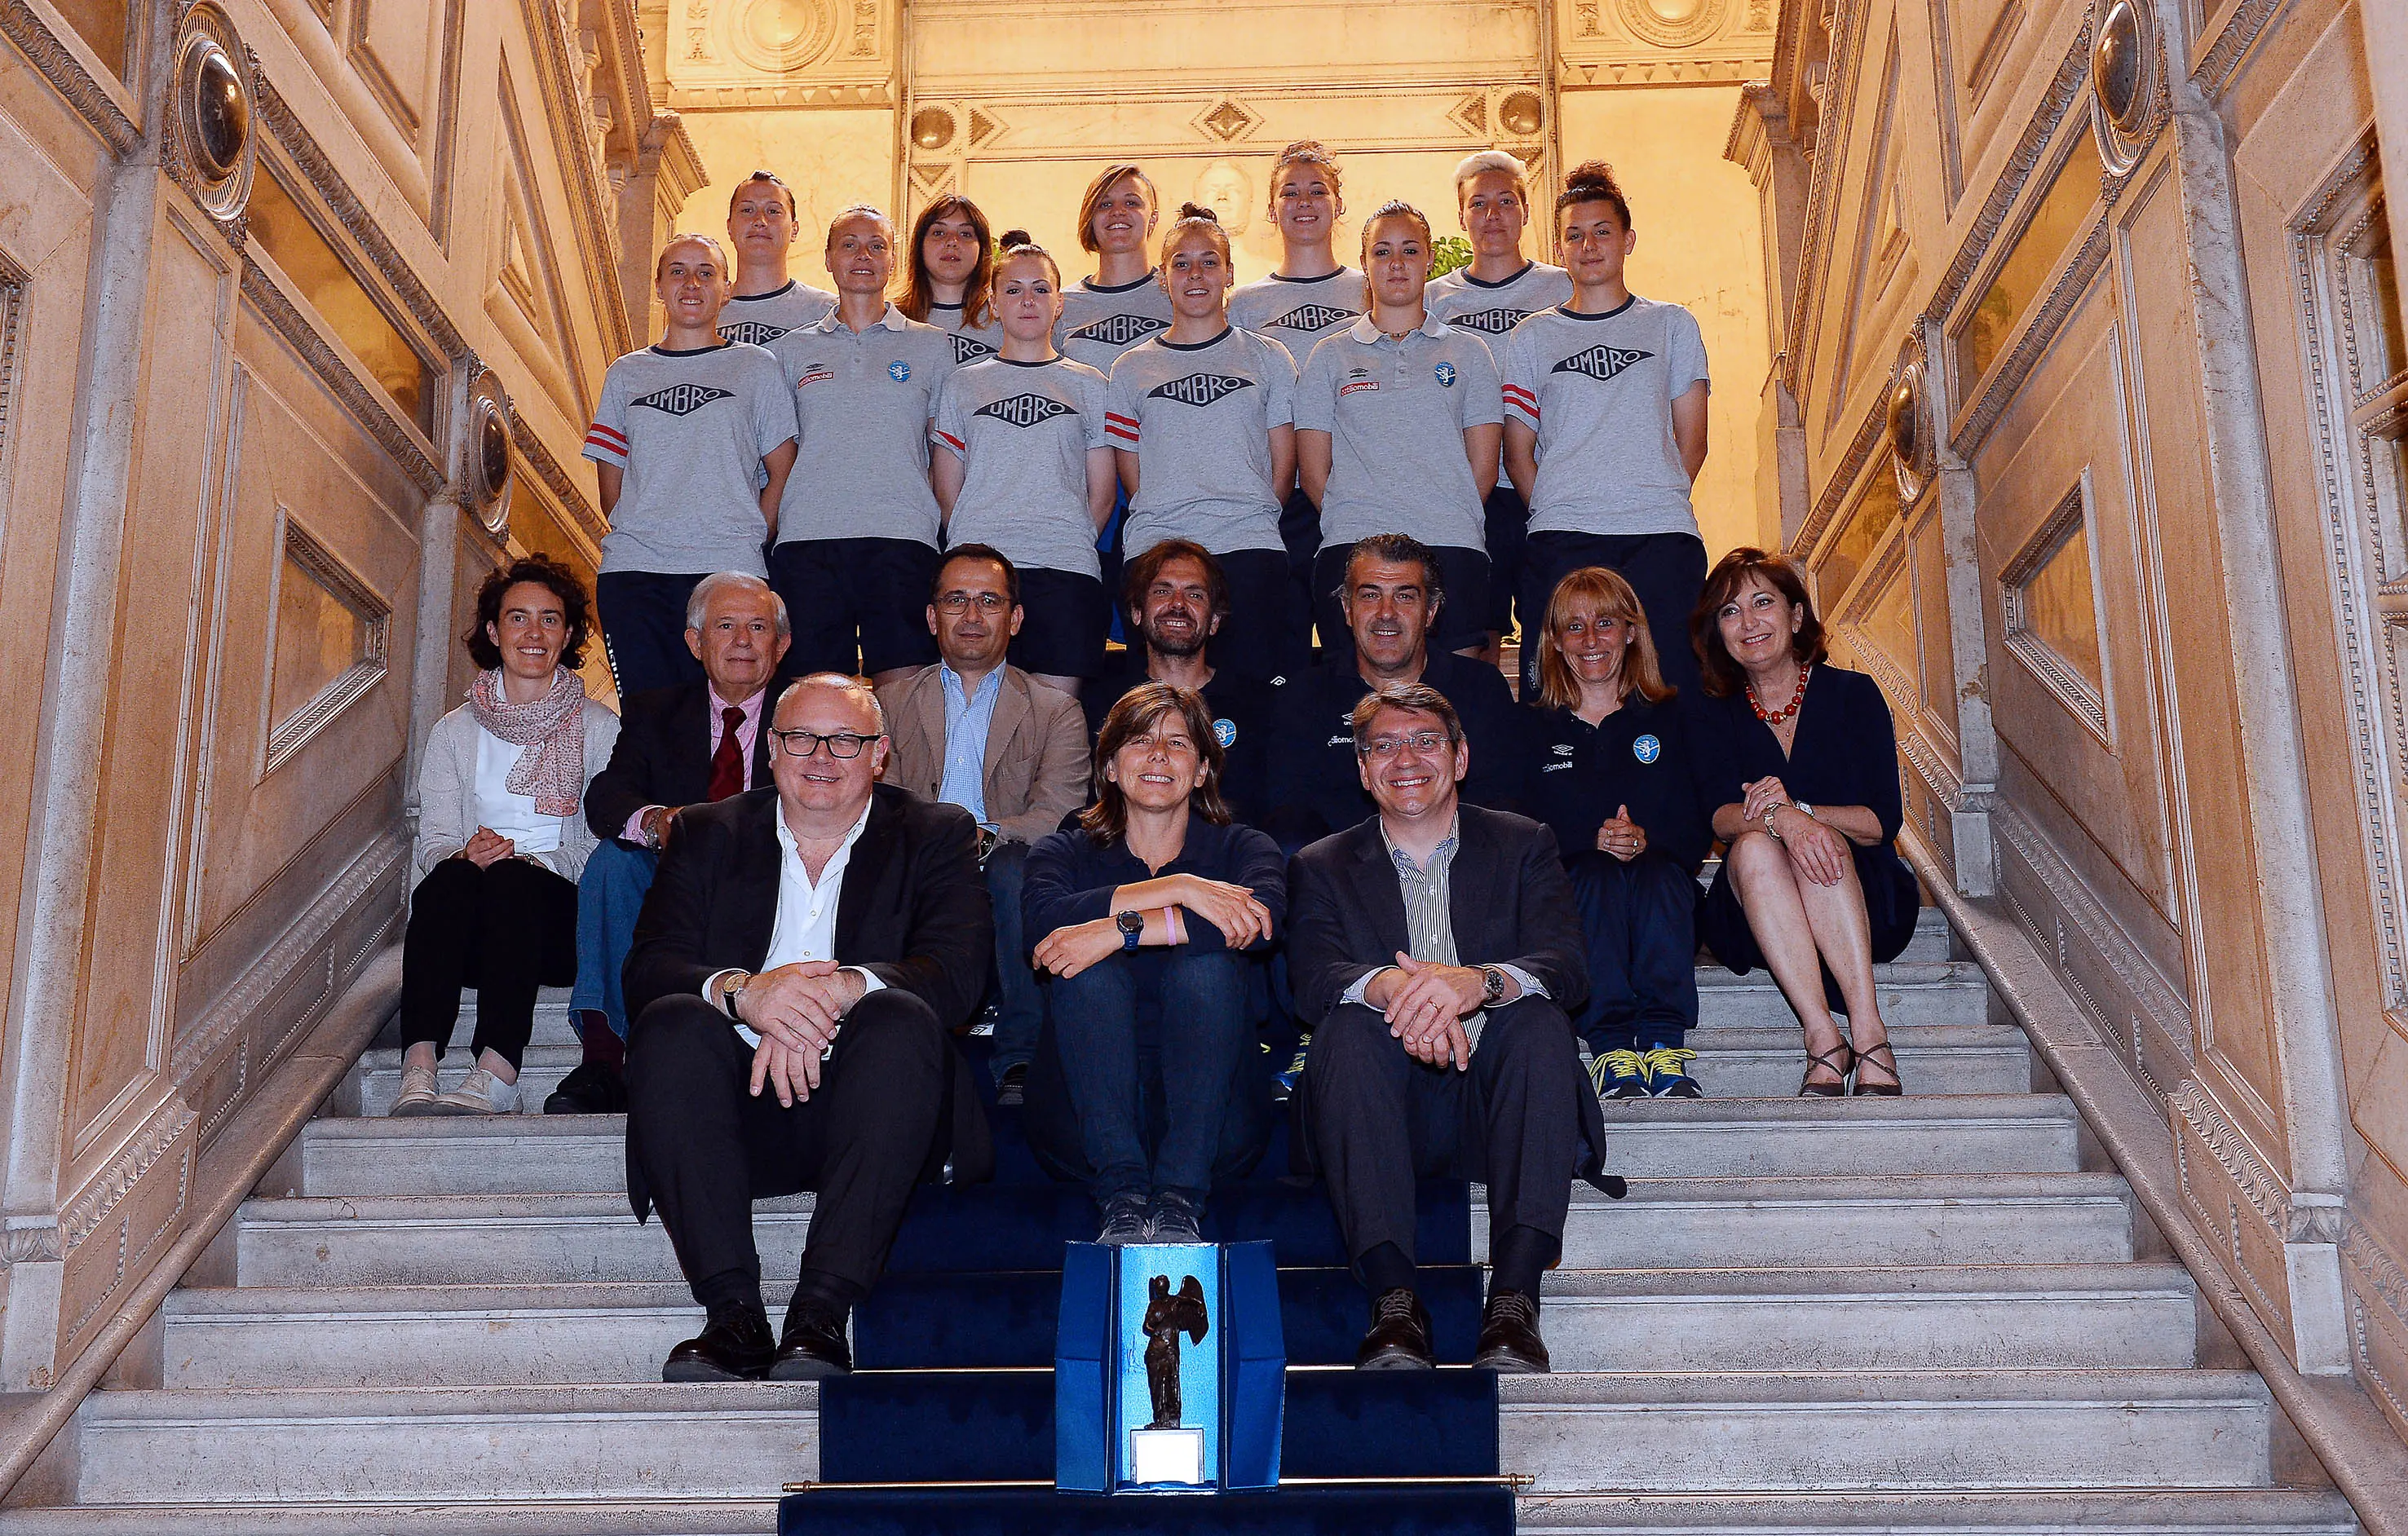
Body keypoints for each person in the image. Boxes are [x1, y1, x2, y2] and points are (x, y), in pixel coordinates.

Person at [622, 673, 994, 1381]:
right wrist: (745, 994)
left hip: (875, 1112)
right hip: (729, 1109)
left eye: (846, 740)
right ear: (770, 748)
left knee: (898, 1015)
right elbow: (648, 969)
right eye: (800, 737)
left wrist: (839, 990)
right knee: (672, 1020)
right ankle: (731, 1314)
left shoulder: (936, 833)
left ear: (879, 755)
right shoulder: (704, 831)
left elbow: (958, 976)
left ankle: (821, 1313)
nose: (821, 756)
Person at [1288, 683, 1612, 1374]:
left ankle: (1514, 1300)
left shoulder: (1524, 842)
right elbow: (1312, 978)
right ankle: (1394, 1303)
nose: (1405, 757)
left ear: (1460, 758)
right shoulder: (1319, 864)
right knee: (1343, 1031)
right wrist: (1393, 987)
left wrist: (1479, 982)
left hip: (1497, 1102)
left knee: (1537, 1022)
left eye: (1425, 741)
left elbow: (1566, 965)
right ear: (1362, 768)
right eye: (1383, 745)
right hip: (1381, 1108)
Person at [1020, 684, 1285, 1242]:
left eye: (1178, 744)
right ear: (1110, 767)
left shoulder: (1244, 849)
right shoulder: (1060, 851)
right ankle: (1120, 1194)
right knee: (1086, 972)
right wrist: (1183, 889)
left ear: (1203, 770)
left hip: (1216, 1119)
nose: (1159, 755)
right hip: (1082, 1115)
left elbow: (1256, 924)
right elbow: (1045, 932)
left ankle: (1178, 1198)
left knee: (1207, 972)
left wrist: (1117, 930)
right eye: (1139, 741)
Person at [395, 557, 621, 1116]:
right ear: (494, 632)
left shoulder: (600, 729)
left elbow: (605, 846)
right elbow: (435, 839)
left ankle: (499, 1072)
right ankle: (418, 1067)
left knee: (515, 881)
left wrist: (535, 863)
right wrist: (464, 853)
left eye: (550, 619)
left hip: (560, 930)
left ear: (568, 634)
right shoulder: (453, 731)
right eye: (518, 618)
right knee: (447, 880)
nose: (534, 633)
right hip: (471, 930)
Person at [1688, 549, 1917, 1096]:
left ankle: (1867, 1030)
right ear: (1717, 633)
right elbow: (1719, 819)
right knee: (1750, 849)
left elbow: (1879, 821)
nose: (1747, 622)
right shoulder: (1709, 714)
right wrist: (1780, 823)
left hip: (1860, 896)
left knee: (1820, 841)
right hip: (1754, 910)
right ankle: (1822, 1036)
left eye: (1762, 603)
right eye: (1729, 611)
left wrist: (1803, 815)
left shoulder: (1851, 695)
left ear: (1794, 617)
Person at [560, 573, 791, 1114]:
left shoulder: (805, 713)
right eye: (725, 626)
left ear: (780, 646)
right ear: (695, 643)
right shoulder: (654, 710)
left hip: (777, 872)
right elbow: (607, 796)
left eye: (757, 628)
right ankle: (605, 1056)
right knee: (613, 864)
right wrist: (656, 820)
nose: (741, 641)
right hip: (676, 877)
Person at [880, 547, 1091, 1106]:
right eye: (956, 601)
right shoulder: (886, 704)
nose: (972, 617)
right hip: (916, 857)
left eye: (988, 602)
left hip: (1005, 856)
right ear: (932, 618)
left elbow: (1060, 812)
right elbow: (880, 803)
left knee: (1016, 867)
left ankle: (1021, 1054)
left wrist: (983, 834)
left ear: (1014, 619)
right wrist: (942, 841)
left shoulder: (1054, 710)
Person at [1500, 161, 1710, 698]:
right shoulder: (1530, 339)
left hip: (1660, 535)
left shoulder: (1671, 324)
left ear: (1627, 239)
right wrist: (1555, 506)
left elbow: (1693, 439)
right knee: (1554, 695)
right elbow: (1517, 450)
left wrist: (1649, 495)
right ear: (1559, 247)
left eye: (1601, 232)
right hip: (1562, 535)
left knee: (1672, 693)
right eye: (1574, 235)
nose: (1588, 245)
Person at [1522, 567, 1712, 1100]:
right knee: (1593, 874)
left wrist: (1647, 840)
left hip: (1662, 893)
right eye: (1573, 627)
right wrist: (1587, 837)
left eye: (1604, 623)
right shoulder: (1530, 727)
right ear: (1555, 642)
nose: (1590, 640)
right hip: (1573, 898)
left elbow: (1700, 821)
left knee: (1656, 874)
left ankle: (1661, 1043)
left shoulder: (1674, 716)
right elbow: (1514, 827)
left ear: (1631, 631)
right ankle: (1609, 1049)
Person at [584, 235, 798, 697]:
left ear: (726, 288)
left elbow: (781, 468)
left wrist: (751, 532)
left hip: (730, 569)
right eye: (678, 271)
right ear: (659, 286)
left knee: (728, 717)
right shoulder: (626, 373)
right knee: (646, 721)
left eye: (706, 272)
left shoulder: (756, 367)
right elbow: (610, 485)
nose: (692, 283)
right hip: (637, 572)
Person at [1296, 201, 1504, 660]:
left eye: (1410, 251)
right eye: (1382, 251)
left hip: (1451, 544)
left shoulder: (1470, 354)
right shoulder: (1329, 357)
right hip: (1353, 545)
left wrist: (1441, 513)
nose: (1396, 264)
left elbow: (1484, 467)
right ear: (1364, 263)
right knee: (1356, 708)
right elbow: (1313, 474)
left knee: (1455, 703)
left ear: (1429, 259)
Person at [1105, 205, 1301, 686]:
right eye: (1182, 263)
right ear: (1163, 277)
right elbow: (1132, 473)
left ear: (1229, 273)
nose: (1196, 274)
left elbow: (1283, 464)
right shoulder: (1129, 369)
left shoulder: (1269, 357)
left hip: (1248, 547)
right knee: (1159, 705)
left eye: (1209, 261)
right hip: (1156, 550)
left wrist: (1245, 513)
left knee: (1253, 699)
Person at [767, 206, 956, 690]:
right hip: (808, 539)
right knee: (813, 691)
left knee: (906, 690)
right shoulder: (789, 351)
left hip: (903, 536)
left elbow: (942, 452)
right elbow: (777, 453)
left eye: (877, 245)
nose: (863, 256)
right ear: (828, 259)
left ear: (894, 261)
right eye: (849, 244)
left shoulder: (932, 347)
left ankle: (904, 772)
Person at [930, 235, 1116, 694]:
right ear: (993, 302)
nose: (1027, 301)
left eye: (1040, 289)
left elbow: (1103, 492)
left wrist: (1063, 537)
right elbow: (947, 491)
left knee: (1058, 722)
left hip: (1066, 570)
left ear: (1059, 303)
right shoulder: (963, 385)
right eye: (1013, 290)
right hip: (983, 576)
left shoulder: (1090, 385)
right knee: (979, 712)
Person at [1268, 534, 1525, 850]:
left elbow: (1499, 804)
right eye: (1370, 596)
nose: (1386, 613)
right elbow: (1290, 809)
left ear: (1430, 612)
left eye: (1405, 597)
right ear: (1347, 610)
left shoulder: (1481, 689)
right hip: (1339, 880)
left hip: (1459, 872)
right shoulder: (1304, 696)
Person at [1425, 150, 1572, 657]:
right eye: (1479, 204)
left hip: (1547, 485)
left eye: (1505, 202)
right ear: (1461, 216)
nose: (1492, 216)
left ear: (1526, 212)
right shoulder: (1432, 299)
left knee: (1553, 629)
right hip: (1470, 490)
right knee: (1475, 632)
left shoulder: (1563, 286)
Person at [1226, 140, 1367, 653]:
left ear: (1338, 204)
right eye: (1290, 192)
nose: (1304, 202)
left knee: (1353, 643)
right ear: (1272, 208)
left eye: (1317, 190)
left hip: (1353, 487)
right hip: (1277, 495)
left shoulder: (1370, 289)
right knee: (1275, 645)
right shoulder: (1244, 304)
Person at [1078, 541, 1273, 824]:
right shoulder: (1100, 705)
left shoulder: (1259, 705)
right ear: (1137, 612)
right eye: (1162, 591)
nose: (1178, 604)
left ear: (1215, 620)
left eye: (1194, 595)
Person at [1058, 165, 1175, 372]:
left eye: (1132, 203)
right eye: (1105, 204)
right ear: (1090, 218)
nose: (1118, 212)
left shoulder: (1177, 295)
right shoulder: (1061, 306)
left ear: (1153, 219)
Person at [717, 170, 837, 347]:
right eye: (747, 210)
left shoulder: (828, 312)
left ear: (794, 229)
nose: (760, 221)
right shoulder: (704, 310)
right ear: (729, 227)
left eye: (773, 211)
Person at [897, 194, 1005, 366]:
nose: (952, 242)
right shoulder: (891, 319)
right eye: (939, 233)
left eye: (966, 234)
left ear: (982, 248)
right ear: (919, 245)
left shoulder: (1006, 318)